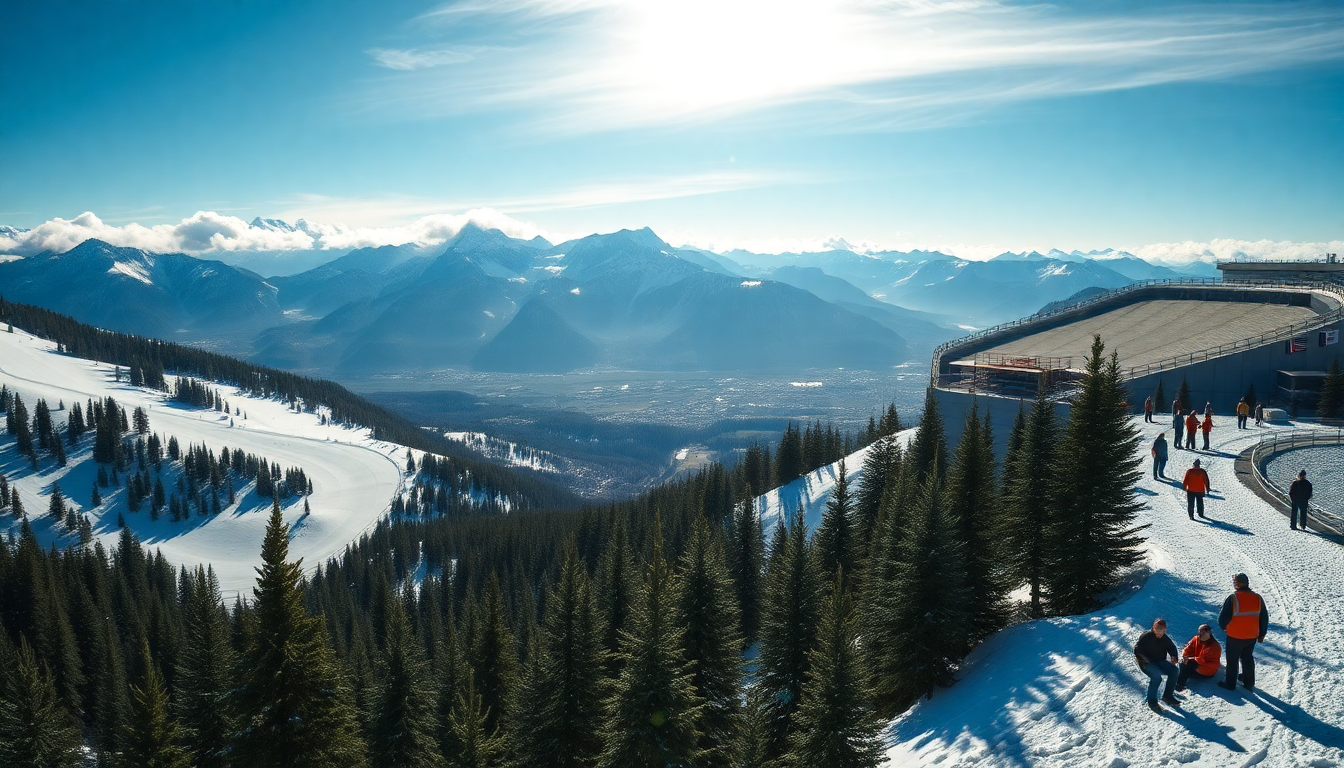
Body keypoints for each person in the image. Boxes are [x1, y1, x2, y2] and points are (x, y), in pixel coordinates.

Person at [1218, 573, 1268, 692]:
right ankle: (1248, 682)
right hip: (1251, 636)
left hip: (1235, 636)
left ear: (1237, 584)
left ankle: (1230, 684)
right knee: (1247, 658)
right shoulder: (1258, 598)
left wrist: (1225, 628)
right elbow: (1264, 618)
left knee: (1232, 660)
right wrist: (1261, 634)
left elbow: (1222, 619)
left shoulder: (1233, 598)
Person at [1134, 618, 1181, 712]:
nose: (1159, 632)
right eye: (1157, 629)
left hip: (1159, 661)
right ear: (1153, 628)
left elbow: (1171, 647)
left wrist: (1174, 656)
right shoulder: (1146, 636)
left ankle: (1168, 696)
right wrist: (1143, 657)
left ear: (1165, 630)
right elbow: (1137, 649)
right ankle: (1152, 702)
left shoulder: (1165, 638)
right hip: (1146, 663)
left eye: (1162, 630)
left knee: (1174, 670)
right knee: (1157, 677)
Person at [1177, 624, 1222, 690]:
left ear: (1210, 634)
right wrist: (1185, 656)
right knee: (1183, 663)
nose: (1203, 635)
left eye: (1205, 633)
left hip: (1207, 671)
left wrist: (1193, 659)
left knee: (1189, 664)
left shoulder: (1214, 646)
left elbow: (1205, 661)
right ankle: (1180, 679)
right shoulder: (1196, 639)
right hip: (1196, 664)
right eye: (1201, 632)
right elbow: (1188, 649)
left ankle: (1180, 684)